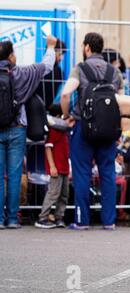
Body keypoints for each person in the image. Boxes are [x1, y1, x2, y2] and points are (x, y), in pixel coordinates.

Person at [60, 32, 124, 230]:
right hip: (108, 129)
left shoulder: (80, 69)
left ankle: (82, 220)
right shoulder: (114, 72)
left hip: (83, 127)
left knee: (82, 173)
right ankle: (109, 221)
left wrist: (66, 115)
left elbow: (65, 93)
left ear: (87, 47)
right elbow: (122, 101)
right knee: (107, 173)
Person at [0, 35, 57, 230]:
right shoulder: (23, 73)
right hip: (17, 129)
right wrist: (51, 46)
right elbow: (47, 65)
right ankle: (13, 219)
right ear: (11, 57)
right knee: (15, 175)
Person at [35, 105, 69, 229]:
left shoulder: (61, 130)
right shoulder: (55, 130)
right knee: (54, 193)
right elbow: (48, 147)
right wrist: (52, 166)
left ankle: (59, 217)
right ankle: (43, 217)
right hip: (58, 167)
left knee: (64, 194)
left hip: (64, 166)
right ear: (60, 115)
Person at [36, 39, 66, 108]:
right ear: (52, 53)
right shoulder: (58, 72)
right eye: (60, 54)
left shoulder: (37, 69)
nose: (61, 58)